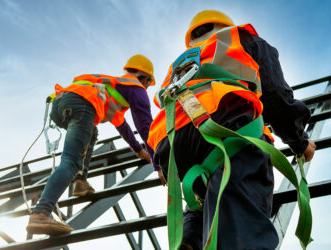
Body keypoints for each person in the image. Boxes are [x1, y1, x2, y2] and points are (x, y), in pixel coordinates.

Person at [148, 10, 316, 249]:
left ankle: (190, 238)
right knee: (240, 220)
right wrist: (299, 141)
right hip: (228, 125)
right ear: (224, 25)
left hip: (171, 146)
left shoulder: (181, 64)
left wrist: (160, 165)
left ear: (192, 39)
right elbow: (276, 95)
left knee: (203, 199)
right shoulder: (240, 38)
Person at [26, 54, 161, 235]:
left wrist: (138, 150)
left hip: (60, 104)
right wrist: (158, 164)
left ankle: (80, 181)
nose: (146, 88)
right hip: (82, 105)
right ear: (145, 78)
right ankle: (41, 213)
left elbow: (123, 127)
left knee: (91, 132)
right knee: (70, 162)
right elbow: (146, 128)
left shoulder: (111, 88)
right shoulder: (136, 88)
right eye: (147, 83)